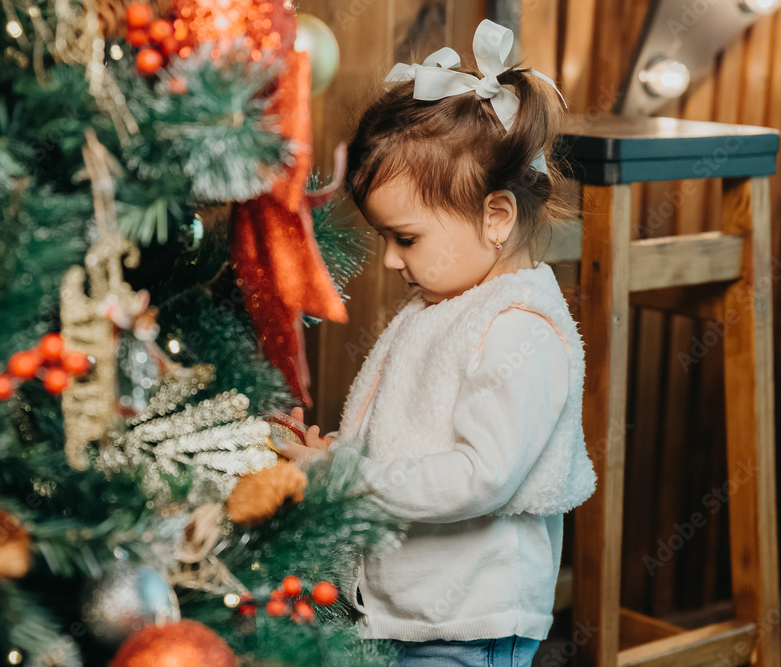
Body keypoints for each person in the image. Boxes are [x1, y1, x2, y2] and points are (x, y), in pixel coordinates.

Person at [278, 19, 598, 667]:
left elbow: (477, 476)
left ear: (496, 217)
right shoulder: (442, 303)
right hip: (411, 616)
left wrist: (348, 478)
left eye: (406, 237)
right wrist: (340, 453)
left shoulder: (520, 331)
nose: (391, 261)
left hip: (469, 623)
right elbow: (413, 437)